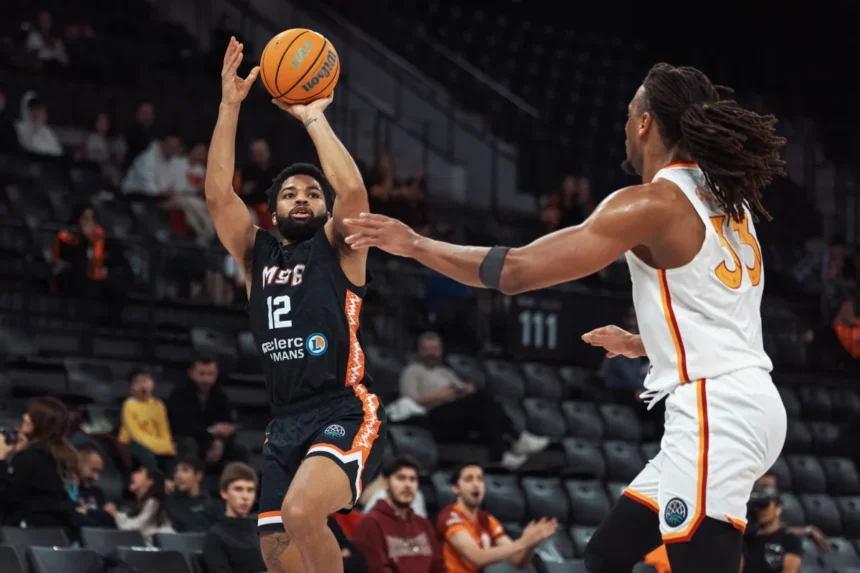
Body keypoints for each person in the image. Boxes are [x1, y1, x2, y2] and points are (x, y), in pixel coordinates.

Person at [344, 63, 788, 573]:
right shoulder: (729, 200)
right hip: (753, 400)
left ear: (645, 123)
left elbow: (517, 270)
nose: (625, 127)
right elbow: (718, 311)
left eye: (630, 115)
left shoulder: (652, 203)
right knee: (605, 556)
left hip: (715, 410)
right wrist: (644, 342)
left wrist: (415, 244)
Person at [205, 37, 387, 573]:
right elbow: (217, 195)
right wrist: (229, 106)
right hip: (284, 420)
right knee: (277, 552)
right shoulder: (254, 255)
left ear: (325, 210)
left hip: (344, 408)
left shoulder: (340, 249)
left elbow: (354, 194)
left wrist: (311, 116)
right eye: (289, 194)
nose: (302, 198)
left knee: (302, 511)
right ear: (272, 210)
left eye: (312, 193)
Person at [437, 462, 556, 572]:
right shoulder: (449, 516)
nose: (476, 484)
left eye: (480, 479)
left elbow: (517, 560)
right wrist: (523, 542)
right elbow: (476, 557)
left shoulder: (486, 520)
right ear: (456, 488)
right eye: (469, 479)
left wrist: (532, 542)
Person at [0, 398, 79, 538]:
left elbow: (7, 498)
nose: (24, 417)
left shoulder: (33, 457)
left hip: (27, 534)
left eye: (29, 415)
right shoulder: (54, 455)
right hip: (56, 534)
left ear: (40, 422)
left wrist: (1, 459)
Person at [352, 456, 445, 573]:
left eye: (412, 479)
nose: (408, 485)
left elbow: (438, 566)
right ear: (386, 483)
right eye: (401, 478)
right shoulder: (370, 523)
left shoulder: (423, 524)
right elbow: (378, 569)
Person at [166, 356, 247, 468]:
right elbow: (181, 427)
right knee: (189, 444)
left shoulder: (219, 394)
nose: (206, 379)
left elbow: (228, 422)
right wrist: (210, 431)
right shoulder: (179, 394)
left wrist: (220, 441)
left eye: (211, 374)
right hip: (187, 439)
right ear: (191, 373)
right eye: (202, 374)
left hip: (212, 440)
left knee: (239, 451)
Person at [204, 462, 266, 573]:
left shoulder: (261, 528)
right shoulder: (216, 535)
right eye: (238, 489)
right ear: (224, 493)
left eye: (250, 490)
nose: (245, 496)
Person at [118, 367, 176, 473]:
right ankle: (154, 479)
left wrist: (167, 445)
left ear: (152, 383)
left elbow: (164, 430)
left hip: (155, 442)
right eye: (137, 382)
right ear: (131, 388)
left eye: (145, 381)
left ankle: (170, 481)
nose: (143, 386)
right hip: (132, 443)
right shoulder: (129, 405)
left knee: (171, 454)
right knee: (147, 456)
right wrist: (158, 446)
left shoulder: (159, 405)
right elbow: (136, 434)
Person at [105, 465, 174, 545]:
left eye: (139, 472)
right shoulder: (140, 504)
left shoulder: (153, 503)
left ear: (150, 481)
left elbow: (133, 528)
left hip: (168, 547)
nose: (133, 475)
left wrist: (115, 514)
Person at [741, 484, 802, 573]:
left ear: (778, 509)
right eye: (758, 505)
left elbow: (790, 571)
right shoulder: (747, 540)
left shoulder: (789, 539)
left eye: (765, 505)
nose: (761, 510)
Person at [166, 456, 221, 532]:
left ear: (198, 476)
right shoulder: (169, 503)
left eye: (185, 470)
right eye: (176, 471)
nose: (178, 475)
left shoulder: (211, 504)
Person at [76, 444, 115, 528]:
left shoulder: (97, 492)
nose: (96, 477)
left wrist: (87, 512)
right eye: (93, 470)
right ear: (79, 464)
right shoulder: (68, 491)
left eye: (98, 472)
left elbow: (107, 520)